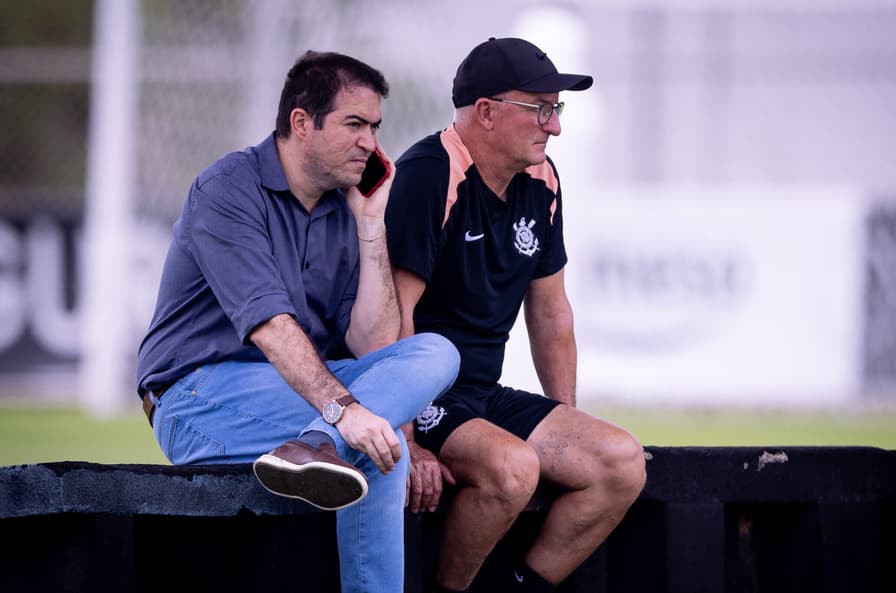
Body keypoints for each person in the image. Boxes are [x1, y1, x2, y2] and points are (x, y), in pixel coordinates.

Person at [136, 50, 460, 593]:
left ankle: (315, 443)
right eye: (354, 124)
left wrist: (372, 224)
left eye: (375, 127)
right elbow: (270, 327)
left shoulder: (346, 206)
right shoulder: (228, 188)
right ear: (301, 123)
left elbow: (373, 343)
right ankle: (325, 439)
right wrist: (344, 411)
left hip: (301, 401)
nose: (371, 144)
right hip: (195, 396)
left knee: (437, 352)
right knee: (385, 445)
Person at [386, 37, 647, 593]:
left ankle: (523, 586)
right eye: (542, 109)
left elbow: (552, 317)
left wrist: (567, 423)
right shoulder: (429, 174)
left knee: (620, 462)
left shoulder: (543, 180)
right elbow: (393, 316)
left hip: (483, 393)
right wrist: (405, 439)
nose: (555, 127)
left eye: (557, 110)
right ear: (486, 112)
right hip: (424, 396)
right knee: (514, 468)